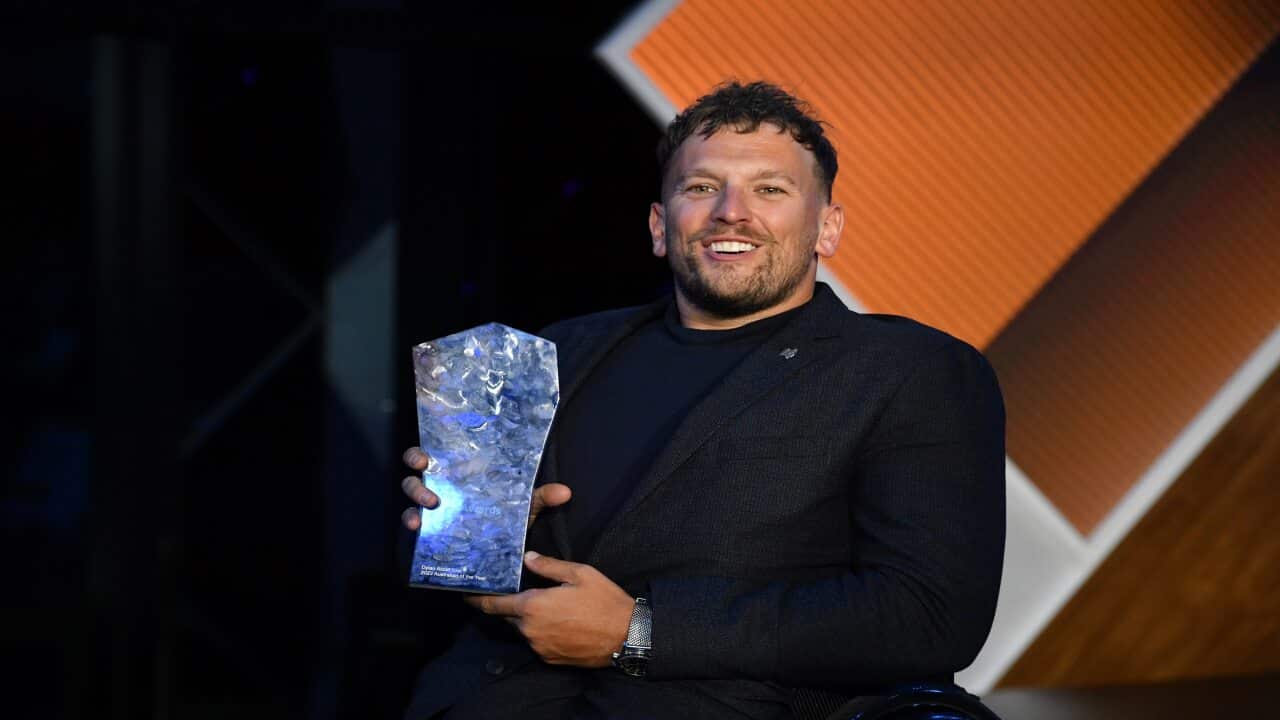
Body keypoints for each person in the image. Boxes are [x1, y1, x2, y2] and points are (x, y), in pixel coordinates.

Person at [399, 81, 1006, 720]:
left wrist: (642, 632)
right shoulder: (556, 351)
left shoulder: (910, 370)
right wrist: (460, 533)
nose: (731, 212)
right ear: (660, 227)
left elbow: (928, 616)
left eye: (770, 190)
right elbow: (447, 579)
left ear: (827, 227)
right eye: (700, 188)